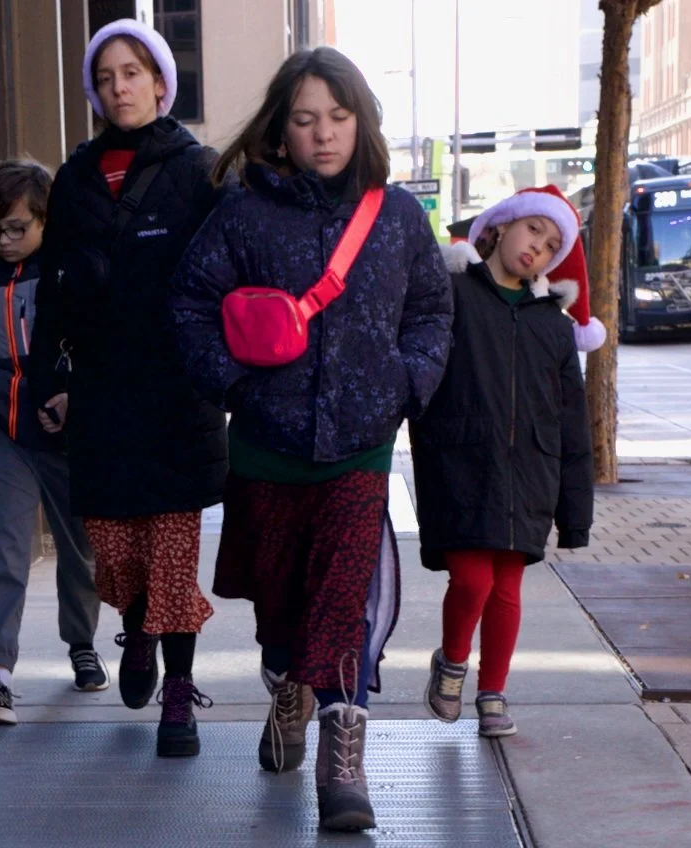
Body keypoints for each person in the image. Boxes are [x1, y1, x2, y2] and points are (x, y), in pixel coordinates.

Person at [170, 47, 454, 832]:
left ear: (360, 122)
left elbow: (433, 311)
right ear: (281, 128)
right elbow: (190, 304)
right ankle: (287, 685)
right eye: (304, 119)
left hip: (360, 447)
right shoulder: (241, 214)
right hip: (266, 444)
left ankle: (343, 754)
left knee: (342, 600)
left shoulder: (395, 216)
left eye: (337, 116)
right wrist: (231, 384)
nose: (323, 133)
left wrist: (406, 384)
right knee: (278, 607)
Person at [27, 18, 230, 758]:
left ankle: (179, 695)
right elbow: (51, 289)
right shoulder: (76, 177)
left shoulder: (198, 169)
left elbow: (229, 276)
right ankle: (139, 628)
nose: (120, 86)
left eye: (134, 72)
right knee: (115, 553)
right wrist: (52, 375)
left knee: (173, 550)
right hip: (103, 395)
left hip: (177, 393)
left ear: (160, 81)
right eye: (107, 76)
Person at [415, 186, 597, 739]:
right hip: (462, 464)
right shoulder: (452, 295)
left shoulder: (552, 325)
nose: (536, 248)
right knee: (471, 580)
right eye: (532, 231)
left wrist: (576, 513)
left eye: (550, 245)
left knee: (507, 590)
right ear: (499, 227)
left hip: (530, 473)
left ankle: (492, 691)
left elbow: (572, 420)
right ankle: (451, 663)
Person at [0, 159, 105, 726]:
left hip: (64, 429)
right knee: (2, 546)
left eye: (18, 228)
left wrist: (74, 395)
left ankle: (81, 643)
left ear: (44, 220)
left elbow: (96, 342)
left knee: (80, 546)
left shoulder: (67, 270)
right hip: (3, 428)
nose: (5, 240)